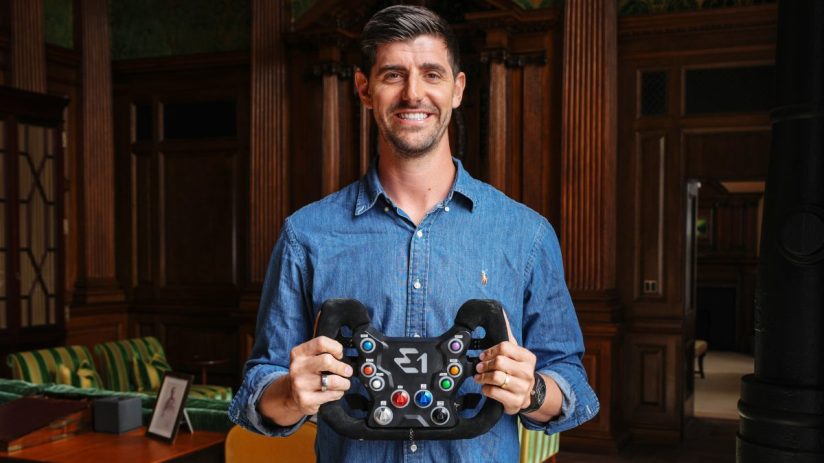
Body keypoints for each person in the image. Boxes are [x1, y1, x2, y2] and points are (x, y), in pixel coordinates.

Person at [230, 5, 599, 461]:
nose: (413, 93)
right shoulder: (306, 235)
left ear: (457, 89)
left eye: (431, 74)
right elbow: (259, 388)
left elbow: (572, 385)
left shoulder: (527, 235)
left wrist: (534, 391)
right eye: (393, 75)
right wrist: (289, 393)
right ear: (364, 89)